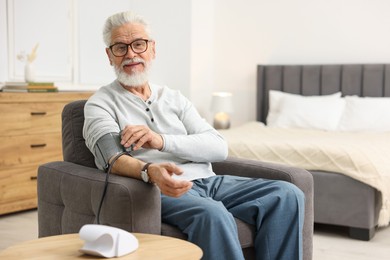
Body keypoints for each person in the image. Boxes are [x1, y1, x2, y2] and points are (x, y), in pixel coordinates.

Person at [83, 10, 305, 260]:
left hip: (210, 181)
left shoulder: (174, 98)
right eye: (120, 47)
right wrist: (150, 171)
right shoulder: (100, 104)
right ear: (109, 55)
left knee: (287, 194)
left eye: (138, 44)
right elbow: (110, 159)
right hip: (160, 189)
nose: (131, 54)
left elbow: (218, 147)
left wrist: (160, 139)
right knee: (213, 214)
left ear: (152, 49)